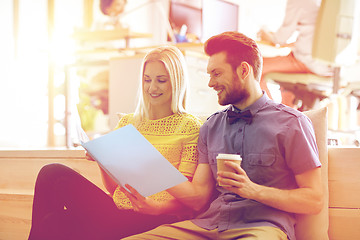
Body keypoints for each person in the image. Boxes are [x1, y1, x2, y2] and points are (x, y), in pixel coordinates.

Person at [121, 31, 324, 240]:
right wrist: (149, 162)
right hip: (208, 226)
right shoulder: (211, 126)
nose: (210, 83)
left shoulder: (292, 123)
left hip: (261, 228)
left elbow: (314, 200)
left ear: (244, 70)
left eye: (216, 74)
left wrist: (253, 190)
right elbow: (198, 197)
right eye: (209, 75)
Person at [28, 45, 203, 240]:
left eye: (161, 80)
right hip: (117, 211)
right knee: (52, 184)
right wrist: (102, 160)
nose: (152, 87)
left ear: (177, 82)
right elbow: (114, 189)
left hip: (155, 217)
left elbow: (189, 197)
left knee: (55, 214)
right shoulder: (128, 122)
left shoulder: (190, 127)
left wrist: (156, 208)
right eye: (147, 80)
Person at [257, 0, 333, 107]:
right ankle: (286, 118)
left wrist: (267, 34)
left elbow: (280, 39)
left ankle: (271, 114)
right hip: (329, 68)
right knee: (286, 84)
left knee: (255, 67)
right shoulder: (324, 3)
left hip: (306, 63)